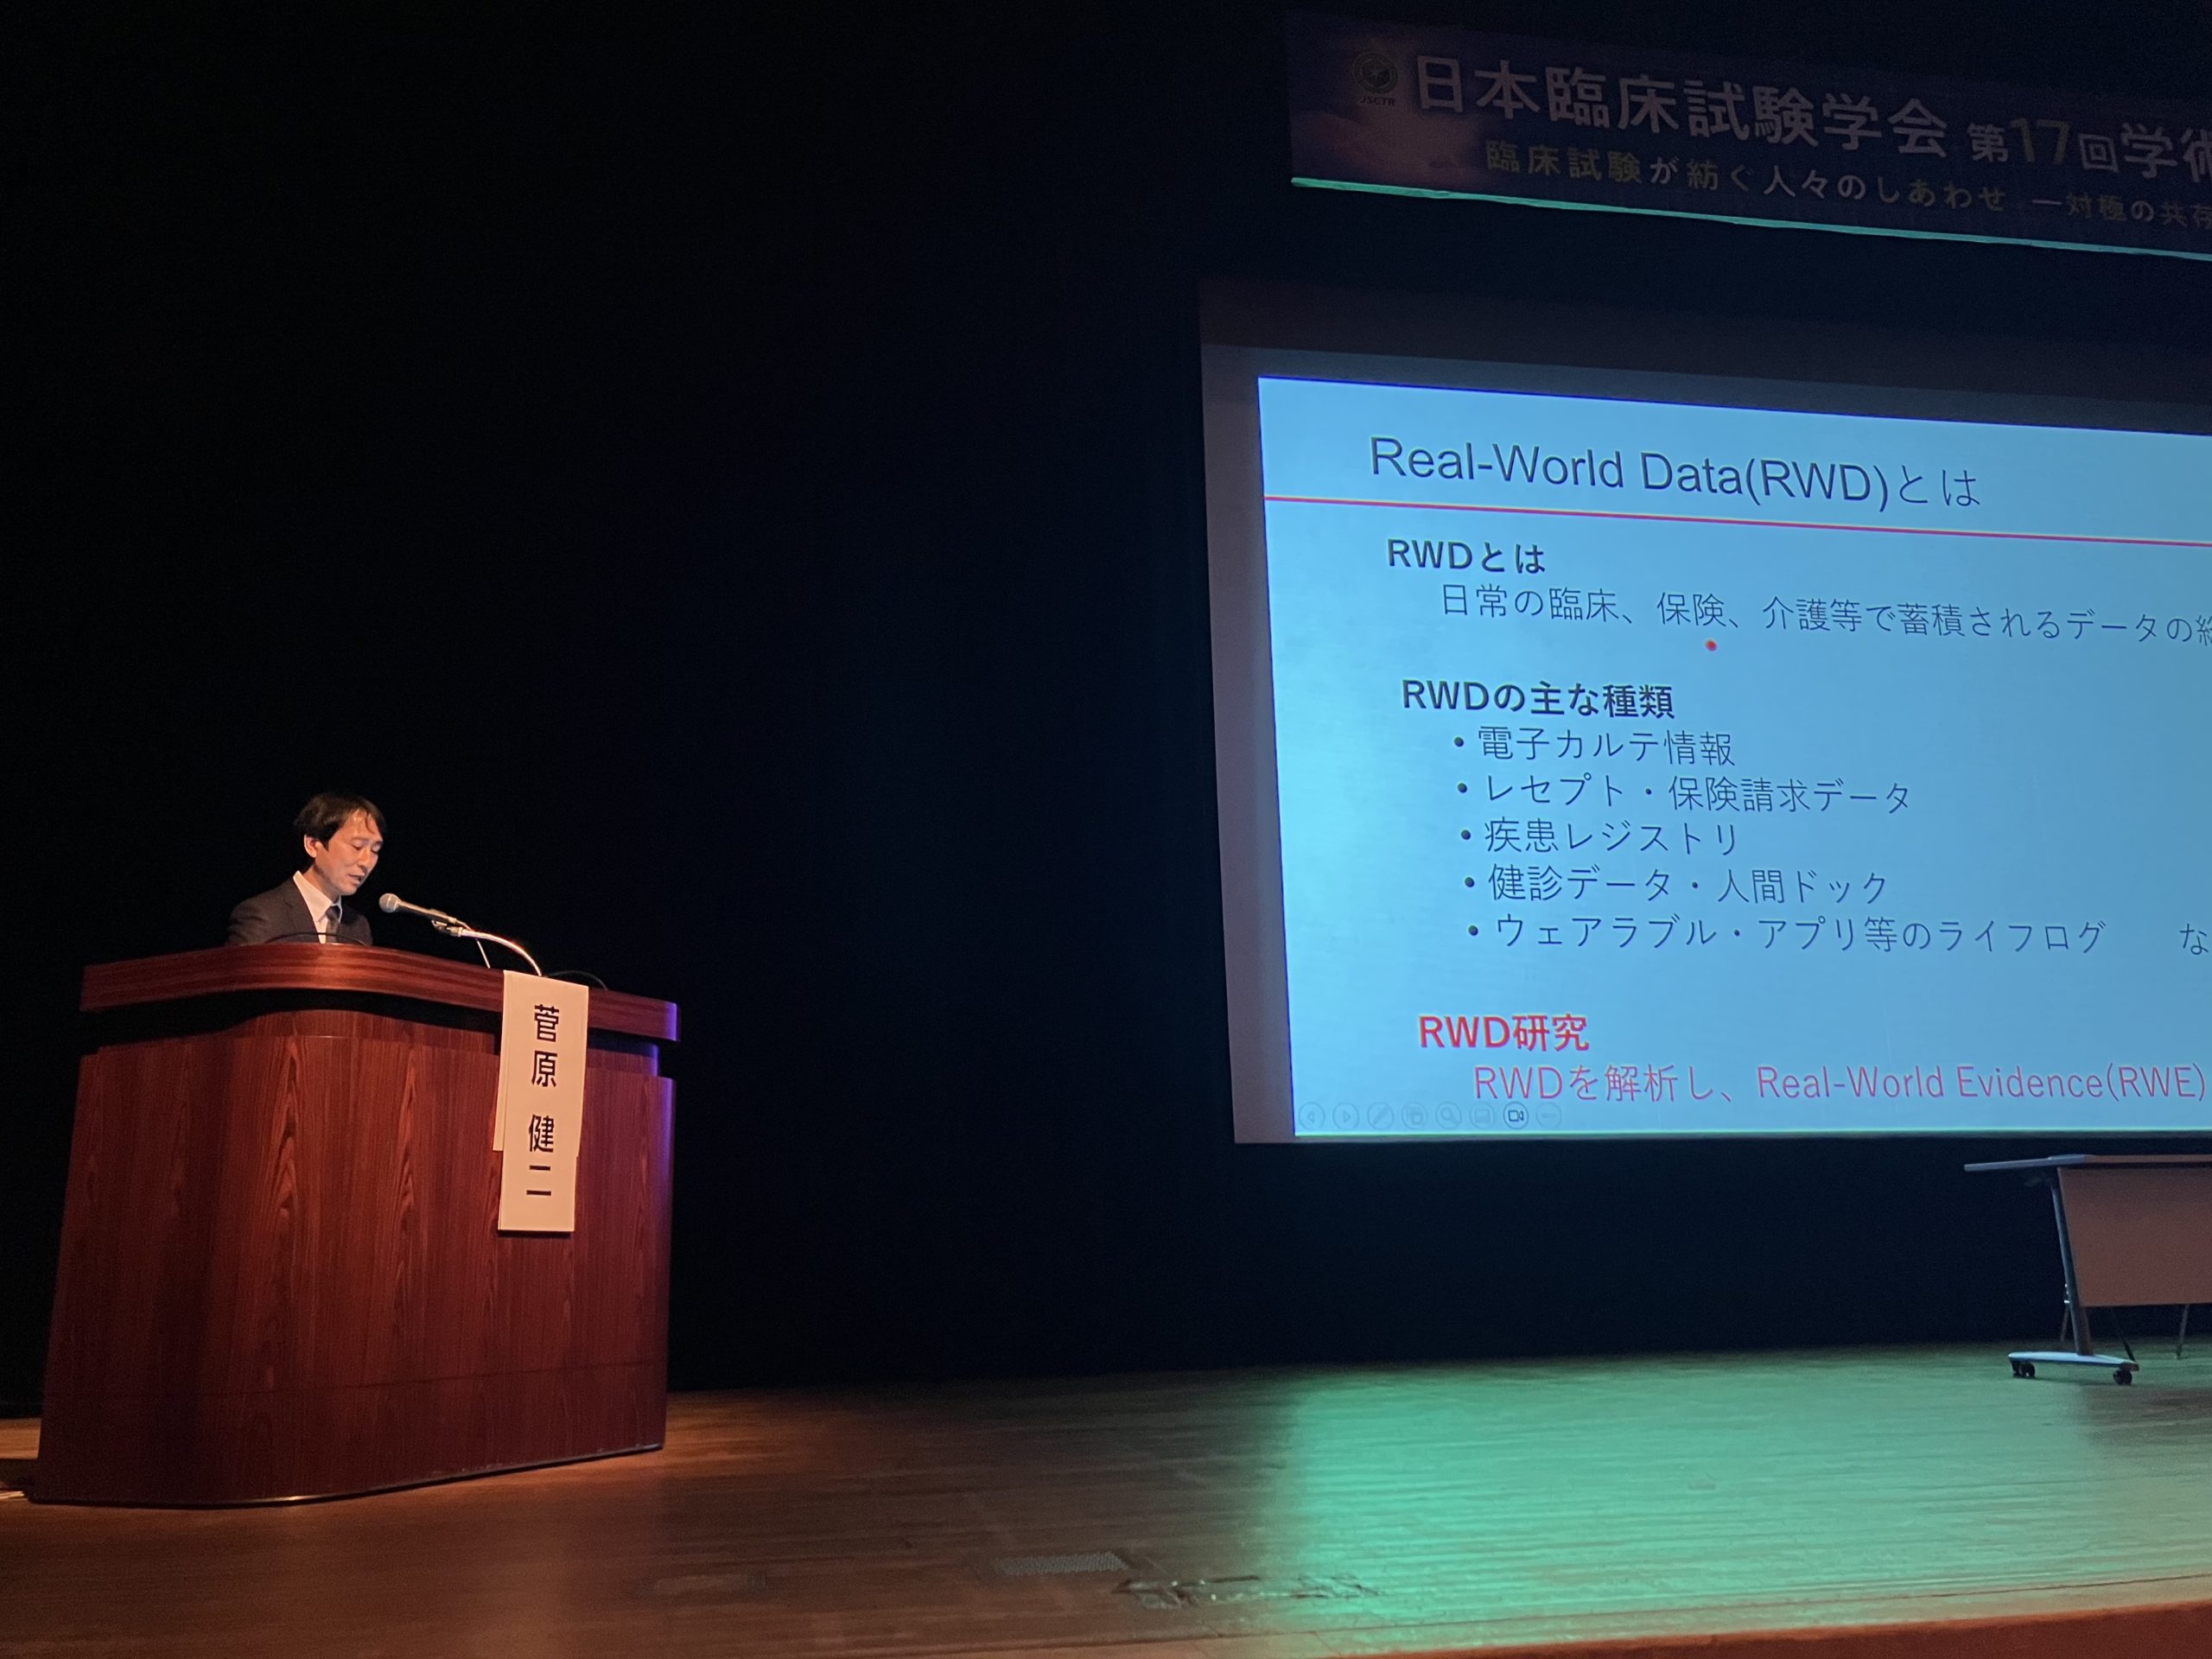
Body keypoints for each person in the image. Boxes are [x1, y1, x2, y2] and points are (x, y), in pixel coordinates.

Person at [226, 792, 386, 945]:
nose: (367, 862)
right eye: (357, 846)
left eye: (375, 850)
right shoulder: (263, 915)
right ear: (312, 845)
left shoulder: (358, 927)